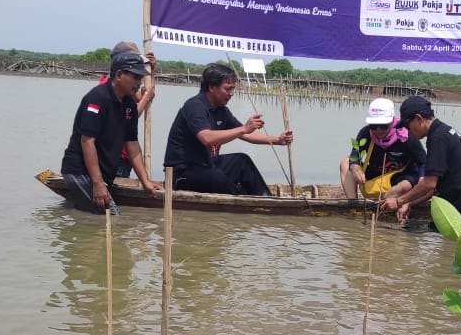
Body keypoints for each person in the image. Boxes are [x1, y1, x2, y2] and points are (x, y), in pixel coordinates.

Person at [163, 63, 294, 195]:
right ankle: (240, 200)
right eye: (227, 89)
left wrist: (278, 140)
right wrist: (243, 129)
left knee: (242, 161)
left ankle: (265, 198)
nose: (231, 93)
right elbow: (206, 138)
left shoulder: (222, 110)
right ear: (212, 87)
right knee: (216, 177)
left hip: (207, 165)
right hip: (182, 173)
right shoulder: (194, 106)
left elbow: (246, 134)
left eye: (233, 89)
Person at [60, 52, 162, 213]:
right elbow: (87, 141)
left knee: (102, 220)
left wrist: (145, 181)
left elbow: (132, 144)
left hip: (103, 175)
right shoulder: (97, 99)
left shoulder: (129, 104)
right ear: (119, 75)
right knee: (112, 218)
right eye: (135, 77)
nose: (138, 83)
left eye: (140, 78)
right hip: (80, 172)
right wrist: (98, 184)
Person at [380, 96, 461, 234]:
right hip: (460, 205)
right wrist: (409, 203)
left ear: (418, 118)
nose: (407, 131)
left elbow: (429, 183)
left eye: (407, 125)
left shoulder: (437, 138)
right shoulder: (442, 132)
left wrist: (398, 201)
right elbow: (435, 188)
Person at [340, 97, 426, 199]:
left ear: (392, 121)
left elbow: (422, 162)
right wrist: (355, 169)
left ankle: (387, 203)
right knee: (346, 163)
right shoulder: (366, 133)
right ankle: (353, 204)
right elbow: (355, 156)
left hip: (401, 176)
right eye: (374, 126)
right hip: (375, 175)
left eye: (383, 126)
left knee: (404, 186)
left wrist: (422, 181)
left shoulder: (406, 135)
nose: (378, 130)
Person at [102, 41, 157, 177]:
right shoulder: (107, 88)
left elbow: (147, 93)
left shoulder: (129, 89)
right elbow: (127, 117)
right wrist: (145, 99)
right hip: (114, 153)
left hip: (127, 154)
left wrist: (151, 70)